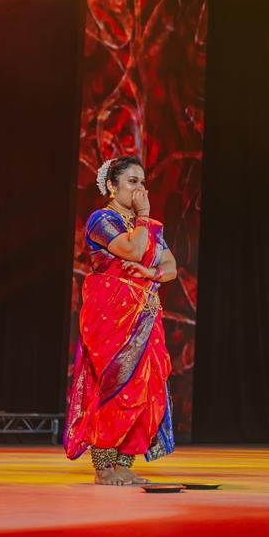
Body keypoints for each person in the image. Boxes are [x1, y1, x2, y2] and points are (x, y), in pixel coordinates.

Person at [64, 156, 178, 485]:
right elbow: (132, 250)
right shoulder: (101, 219)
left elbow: (171, 267)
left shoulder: (148, 226)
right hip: (112, 312)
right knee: (119, 384)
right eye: (132, 181)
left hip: (146, 311)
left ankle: (125, 461)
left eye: (143, 182)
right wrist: (143, 216)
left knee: (149, 385)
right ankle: (104, 465)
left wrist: (150, 272)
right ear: (112, 186)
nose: (140, 189)